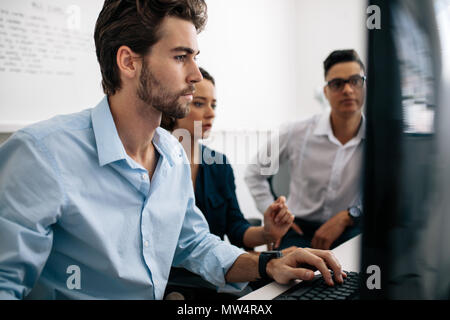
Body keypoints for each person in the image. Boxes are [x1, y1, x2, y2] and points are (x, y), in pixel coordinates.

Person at [0, 0, 346, 300]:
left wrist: (270, 263)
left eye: (194, 57)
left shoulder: (171, 155)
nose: (195, 74)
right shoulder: (41, 155)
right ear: (129, 62)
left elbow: (194, 244)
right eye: (181, 57)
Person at [161, 67, 296, 252]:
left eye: (213, 105)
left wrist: (268, 232)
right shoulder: (153, 160)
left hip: (212, 272)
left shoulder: (219, 165)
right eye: (199, 103)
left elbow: (235, 229)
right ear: (172, 107)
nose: (211, 113)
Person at [245, 49, 365, 251]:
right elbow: (254, 173)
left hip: (351, 226)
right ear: (326, 92)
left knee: (357, 276)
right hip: (299, 230)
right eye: (337, 84)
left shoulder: (381, 138)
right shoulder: (296, 131)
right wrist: (273, 215)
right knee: (290, 277)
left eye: (355, 81)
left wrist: (349, 215)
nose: (347, 90)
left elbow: (387, 192)